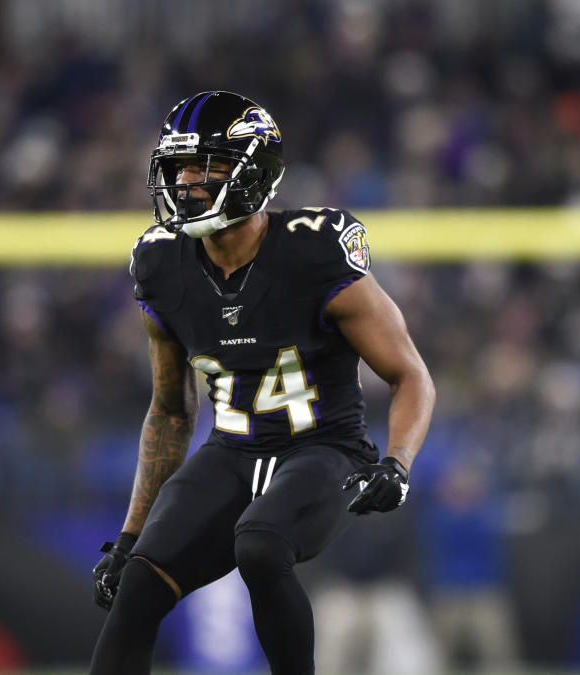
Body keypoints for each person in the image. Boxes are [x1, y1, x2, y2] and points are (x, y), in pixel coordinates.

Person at [88, 91, 436, 675]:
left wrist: (397, 464)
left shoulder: (313, 250)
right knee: (138, 584)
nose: (190, 183)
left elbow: (410, 376)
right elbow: (172, 411)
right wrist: (128, 536)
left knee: (260, 542)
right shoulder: (160, 262)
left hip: (324, 449)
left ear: (256, 172)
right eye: (181, 168)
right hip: (232, 449)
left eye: (210, 166)